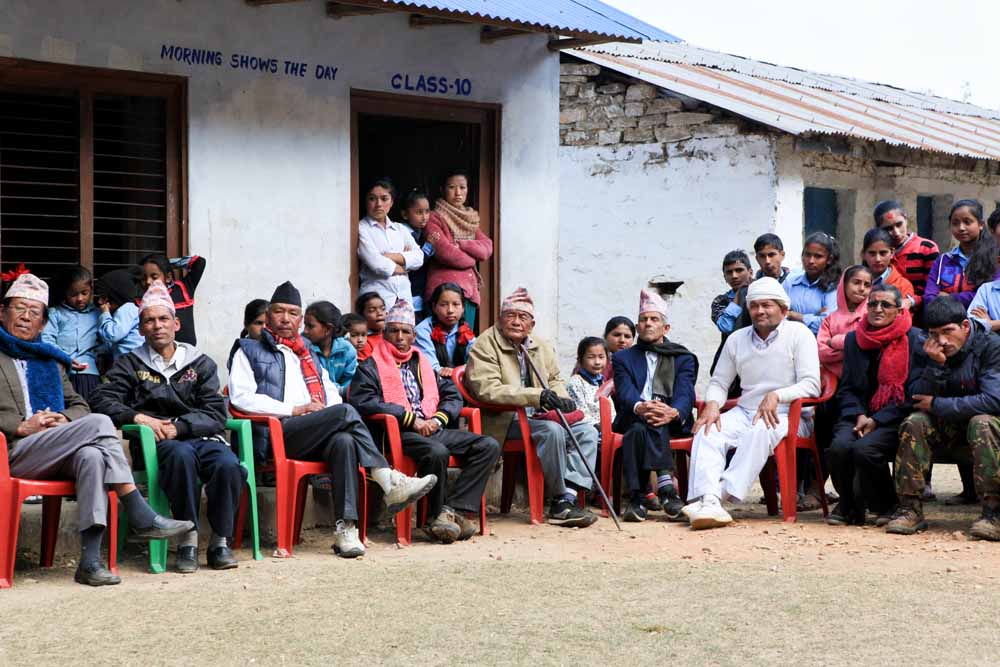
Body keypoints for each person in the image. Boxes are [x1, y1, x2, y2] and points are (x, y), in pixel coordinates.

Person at [0, 273, 192, 586]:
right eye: (20, 308)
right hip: (11, 450)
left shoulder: (49, 361)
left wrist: (63, 418)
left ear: (44, 324)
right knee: (102, 423)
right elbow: (92, 416)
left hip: (52, 448)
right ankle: (136, 508)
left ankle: (89, 561)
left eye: (35, 313)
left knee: (91, 455)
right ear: (2, 311)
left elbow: (80, 406)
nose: (26, 317)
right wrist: (21, 425)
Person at [228, 281, 436, 558]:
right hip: (275, 434)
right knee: (345, 412)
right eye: (279, 312)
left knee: (344, 441)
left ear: (300, 319)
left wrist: (322, 413)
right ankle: (386, 477)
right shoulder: (249, 350)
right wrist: (294, 409)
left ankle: (345, 529)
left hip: (313, 432)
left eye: (292, 313)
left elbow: (330, 395)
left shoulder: (307, 353)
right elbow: (240, 398)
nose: (285, 318)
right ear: (269, 316)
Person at [90, 281, 245, 573]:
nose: (157, 326)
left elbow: (215, 412)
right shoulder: (129, 363)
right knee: (180, 457)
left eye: (163, 319)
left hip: (201, 436)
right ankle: (188, 539)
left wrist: (182, 426)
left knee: (228, 464)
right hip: (157, 443)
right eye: (149, 320)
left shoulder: (200, 364)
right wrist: (138, 417)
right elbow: (101, 398)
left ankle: (220, 542)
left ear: (176, 324)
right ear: (140, 328)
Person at [348, 299, 500, 543]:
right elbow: (363, 400)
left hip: (432, 427)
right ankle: (433, 517)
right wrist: (411, 419)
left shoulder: (423, 362)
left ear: (413, 336)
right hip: (398, 433)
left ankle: (452, 511)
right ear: (384, 334)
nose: (399, 337)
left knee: (488, 446)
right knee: (437, 451)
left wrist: (439, 419)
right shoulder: (371, 365)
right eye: (394, 331)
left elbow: (451, 394)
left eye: (405, 331)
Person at [684, 277, 820, 530]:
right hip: (746, 410)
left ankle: (713, 498)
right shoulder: (736, 338)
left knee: (760, 430)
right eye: (754, 306)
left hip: (790, 415)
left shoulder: (800, 334)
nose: (759, 311)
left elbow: (812, 384)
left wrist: (778, 395)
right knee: (708, 429)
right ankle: (710, 501)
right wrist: (713, 404)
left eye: (766, 305)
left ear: (782, 308)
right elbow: (719, 382)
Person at [464, 287, 599, 527]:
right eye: (510, 315)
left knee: (587, 431)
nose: (516, 321)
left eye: (522, 317)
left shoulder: (540, 345)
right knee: (552, 432)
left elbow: (555, 378)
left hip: (538, 417)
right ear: (500, 319)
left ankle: (566, 497)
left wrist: (559, 397)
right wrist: (537, 396)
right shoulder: (485, 344)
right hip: (504, 421)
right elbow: (487, 389)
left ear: (532, 324)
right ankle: (557, 497)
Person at [886, 295, 1000, 540]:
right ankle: (909, 509)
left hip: (986, 426)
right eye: (934, 333)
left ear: (965, 326)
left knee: (982, 422)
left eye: (948, 331)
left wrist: (937, 404)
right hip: (945, 425)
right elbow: (916, 396)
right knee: (914, 422)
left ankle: (994, 512)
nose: (942, 341)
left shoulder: (991, 345)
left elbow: (993, 400)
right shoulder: (925, 347)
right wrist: (936, 366)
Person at [826, 284, 924, 526]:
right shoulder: (854, 339)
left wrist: (877, 420)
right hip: (859, 414)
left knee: (866, 449)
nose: (877, 309)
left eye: (886, 305)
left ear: (899, 309)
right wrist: (858, 414)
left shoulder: (915, 339)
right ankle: (849, 503)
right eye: (872, 304)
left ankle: (886, 505)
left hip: (895, 416)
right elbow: (847, 387)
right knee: (839, 447)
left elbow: (915, 392)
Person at [612, 289, 696, 522]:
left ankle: (637, 498)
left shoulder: (683, 357)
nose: (648, 323)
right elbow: (625, 391)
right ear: (637, 327)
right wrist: (640, 406)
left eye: (654, 319)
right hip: (634, 415)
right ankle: (667, 489)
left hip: (671, 420)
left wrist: (673, 412)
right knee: (644, 421)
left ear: (665, 328)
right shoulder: (623, 358)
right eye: (643, 320)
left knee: (648, 423)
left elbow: (685, 392)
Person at [424, 169, 493, 329]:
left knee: (464, 339)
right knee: (439, 341)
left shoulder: (469, 221)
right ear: (442, 189)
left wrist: (462, 244)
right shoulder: (433, 218)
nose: (458, 193)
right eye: (452, 187)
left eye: (462, 187)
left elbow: (486, 248)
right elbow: (445, 253)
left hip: (468, 292)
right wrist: (472, 257)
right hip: (442, 291)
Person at [357, 177, 422, 309]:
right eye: (372, 198)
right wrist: (404, 266)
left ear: (392, 202)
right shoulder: (362, 228)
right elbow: (376, 263)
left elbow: (419, 257)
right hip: (376, 299)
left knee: (405, 329)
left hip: (404, 297)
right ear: (366, 201)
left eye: (384, 198)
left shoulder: (399, 229)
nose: (378, 204)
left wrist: (390, 256)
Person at [42, 265, 103, 400]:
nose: (80, 298)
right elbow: (47, 340)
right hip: (62, 372)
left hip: (90, 373)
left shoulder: (98, 314)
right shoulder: (56, 314)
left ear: (91, 290)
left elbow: (106, 341)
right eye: (73, 294)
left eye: (84, 293)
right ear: (65, 293)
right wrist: (64, 357)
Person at [925, 199, 999, 307]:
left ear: (981, 224)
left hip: (981, 321)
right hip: (945, 321)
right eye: (955, 223)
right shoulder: (943, 261)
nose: (961, 228)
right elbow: (929, 297)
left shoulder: (994, 259)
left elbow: (989, 297)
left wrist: (950, 297)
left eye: (967, 222)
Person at [874, 200, 939, 304]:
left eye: (899, 224)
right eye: (888, 229)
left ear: (906, 219)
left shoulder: (926, 248)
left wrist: (911, 301)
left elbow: (932, 290)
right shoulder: (878, 252)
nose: (896, 232)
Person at [818, 265, 874, 377]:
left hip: (867, 378)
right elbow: (822, 353)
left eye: (867, 285)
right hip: (835, 380)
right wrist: (852, 350)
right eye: (856, 282)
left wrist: (835, 342)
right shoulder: (830, 319)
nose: (862, 288)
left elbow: (870, 347)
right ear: (843, 284)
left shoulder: (872, 316)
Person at [140, 253, 207, 345]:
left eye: (154, 277)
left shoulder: (183, 288)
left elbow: (199, 262)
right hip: (156, 352)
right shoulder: (142, 300)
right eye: (143, 278)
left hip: (186, 352)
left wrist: (167, 264)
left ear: (168, 277)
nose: (148, 281)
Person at [783, 232, 842, 335]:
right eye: (807, 254)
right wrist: (815, 316)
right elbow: (776, 314)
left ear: (829, 260)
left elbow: (828, 325)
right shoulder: (791, 282)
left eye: (818, 256)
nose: (811, 261)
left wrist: (794, 315)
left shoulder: (832, 287)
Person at [414, 282, 475, 378]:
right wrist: (447, 372)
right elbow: (431, 367)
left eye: (456, 304)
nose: (450, 310)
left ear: (463, 308)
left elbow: (477, 361)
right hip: (433, 381)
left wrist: (456, 371)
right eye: (443, 305)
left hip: (459, 378)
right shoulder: (422, 331)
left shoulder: (464, 329)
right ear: (434, 307)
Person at [304, 300, 357, 395]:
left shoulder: (346, 349)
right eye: (305, 325)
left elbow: (351, 379)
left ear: (328, 329)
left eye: (310, 326)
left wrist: (346, 391)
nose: (305, 331)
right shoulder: (303, 349)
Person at [94, 267, 144, 359]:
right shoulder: (124, 311)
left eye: (104, 297)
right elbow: (114, 343)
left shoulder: (127, 309)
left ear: (116, 297)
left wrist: (105, 314)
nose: (100, 302)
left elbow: (112, 335)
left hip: (133, 361)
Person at [861, 228, 916, 307]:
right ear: (863, 254)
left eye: (883, 253)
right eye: (872, 253)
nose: (878, 259)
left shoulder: (902, 285)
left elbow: (903, 317)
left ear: (892, 253)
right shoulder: (854, 281)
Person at [566, 336, 613, 429]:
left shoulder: (602, 381)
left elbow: (611, 409)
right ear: (580, 360)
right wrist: (599, 427)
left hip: (606, 429)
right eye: (591, 357)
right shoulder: (575, 383)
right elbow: (581, 413)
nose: (597, 362)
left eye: (601, 357)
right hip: (587, 430)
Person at [399, 189, 433, 314]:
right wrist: (429, 246)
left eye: (427, 212)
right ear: (405, 214)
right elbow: (416, 262)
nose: (424, 217)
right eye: (419, 212)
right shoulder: (403, 234)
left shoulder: (421, 233)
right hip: (409, 290)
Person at [710, 249, 753, 344]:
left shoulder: (761, 292)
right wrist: (740, 293)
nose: (734, 276)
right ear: (724, 277)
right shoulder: (720, 301)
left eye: (739, 270)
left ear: (750, 272)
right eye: (729, 272)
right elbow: (726, 327)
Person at [227, 299, 269, 370]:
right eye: (259, 323)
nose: (264, 328)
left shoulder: (281, 349)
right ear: (246, 325)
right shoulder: (242, 354)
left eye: (268, 324)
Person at [355, 291, 386, 362]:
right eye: (372, 310)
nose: (379, 313)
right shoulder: (363, 343)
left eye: (383, 309)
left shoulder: (391, 336)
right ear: (362, 316)